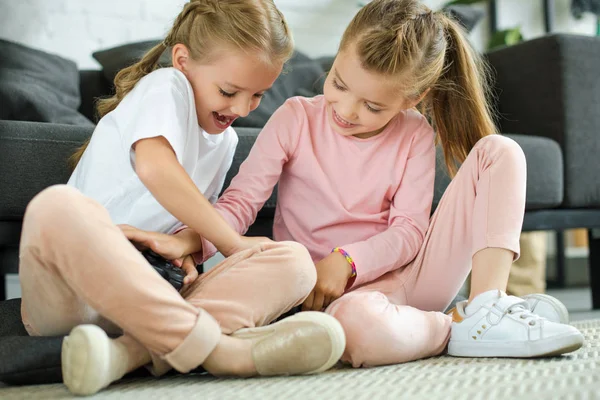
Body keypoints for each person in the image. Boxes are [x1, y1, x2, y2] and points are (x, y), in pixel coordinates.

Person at [135, 0, 584, 368]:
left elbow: (410, 231)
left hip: (407, 281)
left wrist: (348, 261)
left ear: (413, 98)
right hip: (325, 298)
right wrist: (194, 239)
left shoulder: (414, 133)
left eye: (372, 105)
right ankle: (453, 325)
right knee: (354, 329)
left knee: (501, 152)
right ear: (337, 56)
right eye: (339, 83)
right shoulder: (295, 118)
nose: (346, 110)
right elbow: (240, 202)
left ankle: (488, 308)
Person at [18, 0, 345, 396]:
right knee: (56, 206)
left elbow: (186, 220)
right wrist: (231, 243)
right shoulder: (165, 86)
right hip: (77, 299)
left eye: (258, 95)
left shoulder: (223, 142)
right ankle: (221, 350)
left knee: (294, 261)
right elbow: (155, 169)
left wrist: (186, 252)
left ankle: (127, 353)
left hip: (154, 295)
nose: (242, 109)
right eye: (229, 91)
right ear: (183, 60)